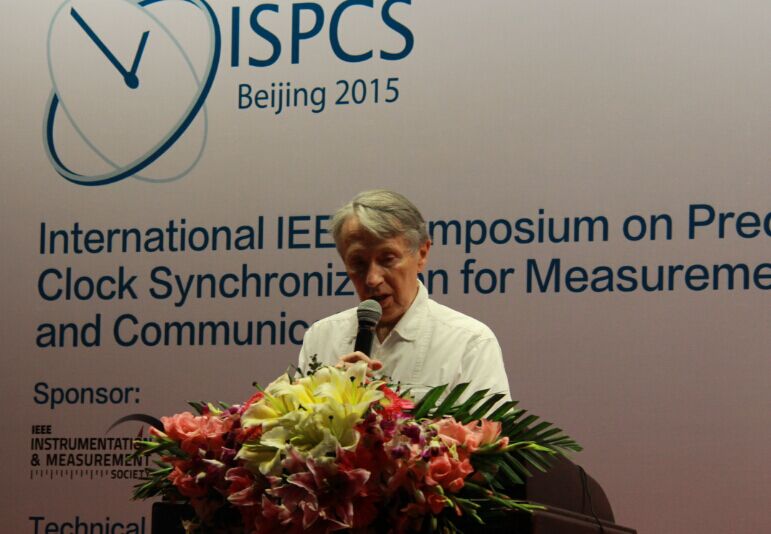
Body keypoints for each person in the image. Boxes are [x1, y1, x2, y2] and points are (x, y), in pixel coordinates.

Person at [298, 190, 511, 400]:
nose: (372, 279)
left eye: (387, 259)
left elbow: (487, 424)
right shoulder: (321, 338)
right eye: (358, 263)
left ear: (422, 254)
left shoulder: (469, 342)